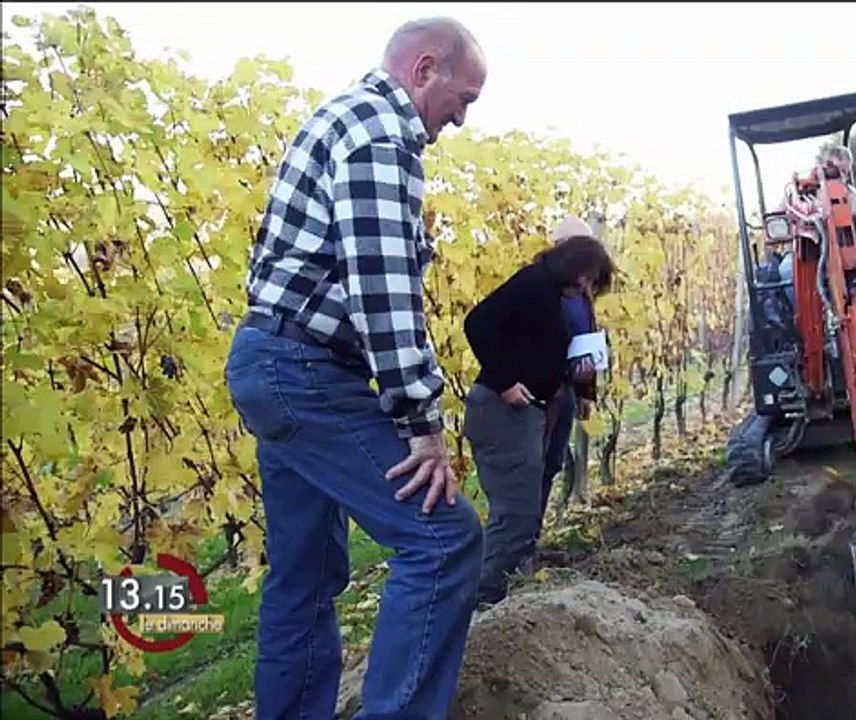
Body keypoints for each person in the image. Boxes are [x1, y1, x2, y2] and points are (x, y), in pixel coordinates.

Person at [222, 17, 487, 720]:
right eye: (462, 100)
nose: (456, 121)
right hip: (304, 370)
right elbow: (383, 287)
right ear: (424, 68)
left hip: (269, 361)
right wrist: (422, 424)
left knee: (303, 580)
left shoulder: (341, 119)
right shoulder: (378, 133)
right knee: (444, 539)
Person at [462, 234, 615, 607]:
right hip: (503, 413)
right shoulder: (533, 284)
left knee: (522, 514)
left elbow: (536, 350)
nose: (588, 288)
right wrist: (504, 383)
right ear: (573, 267)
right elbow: (476, 323)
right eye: (589, 279)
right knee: (514, 515)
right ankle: (484, 604)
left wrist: (576, 376)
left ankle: (503, 596)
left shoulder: (551, 296)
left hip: (528, 413)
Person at [536, 216, 600, 539]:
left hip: (567, 389)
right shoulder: (542, 286)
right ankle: (521, 545)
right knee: (534, 466)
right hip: (543, 390)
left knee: (551, 464)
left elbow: (586, 340)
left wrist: (586, 392)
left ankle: (531, 540)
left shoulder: (582, 291)